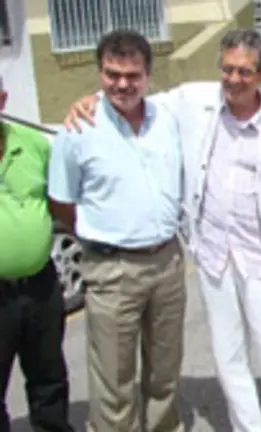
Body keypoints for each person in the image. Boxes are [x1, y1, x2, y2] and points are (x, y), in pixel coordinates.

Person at [62, 29, 261, 432]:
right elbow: (129, 96)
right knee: (230, 361)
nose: (233, 79)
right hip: (213, 257)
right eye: (227, 69)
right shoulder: (194, 101)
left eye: (244, 71)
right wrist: (89, 100)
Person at [48, 30, 186, 432]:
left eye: (132, 75)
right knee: (113, 378)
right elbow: (62, 200)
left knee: (164, 369)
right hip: (111, 269)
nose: (122, 84)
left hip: (167, 261)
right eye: (112, 74)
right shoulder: (77, 130)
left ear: (148, 74)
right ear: (99, 72)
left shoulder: (167, 118)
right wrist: (101, 235)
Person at [0, 76, 74, 432]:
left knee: (49, 378)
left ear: (2, 100)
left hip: (41, 287)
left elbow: (60, 201)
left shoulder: (33, 145)